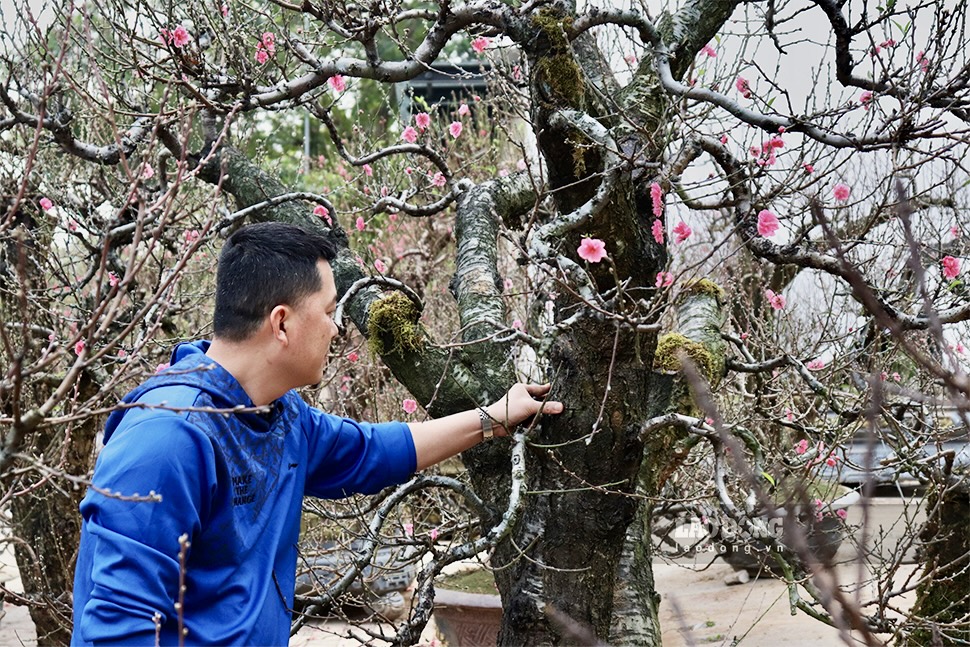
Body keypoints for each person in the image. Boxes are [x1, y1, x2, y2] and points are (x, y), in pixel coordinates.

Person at [71, 221, 562, 646]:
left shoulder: (279, 417)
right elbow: (118, 628)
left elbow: (373, 451)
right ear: (281, 323)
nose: (337, 328)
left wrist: (496, 416)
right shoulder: (167, 440)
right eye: (328, 312)